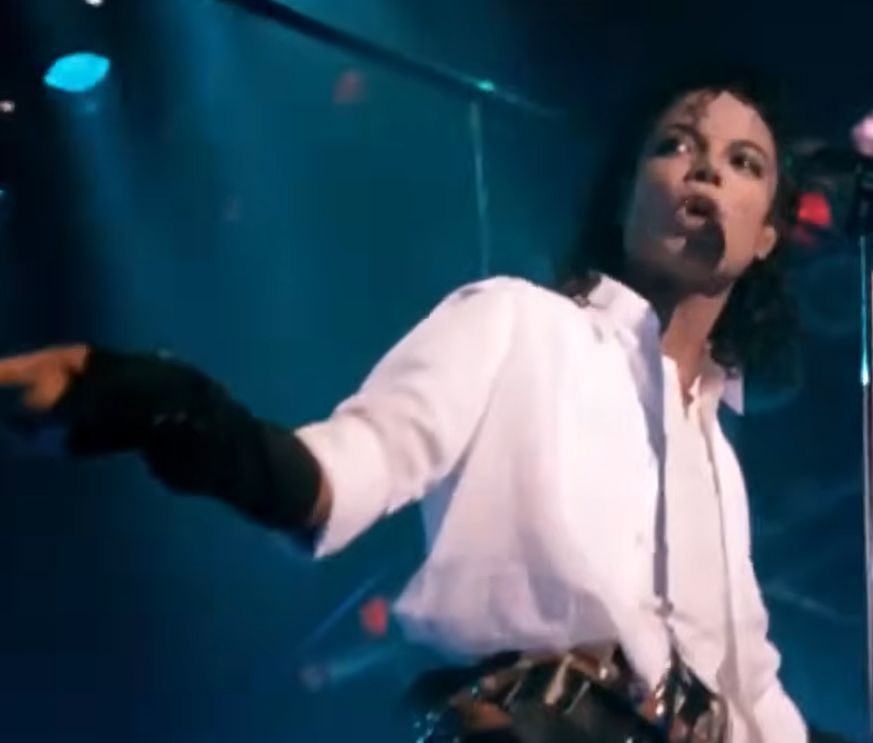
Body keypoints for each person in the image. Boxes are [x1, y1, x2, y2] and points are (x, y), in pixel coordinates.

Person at [0, 68, 816, 742]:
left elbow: (758, 698)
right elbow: (338, 475)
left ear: (766, 235)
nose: (705, 171)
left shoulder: (716, 456)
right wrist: (155, 400)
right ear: (623, 195)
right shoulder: (517, 320)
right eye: (675, 145)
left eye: (744, 162)